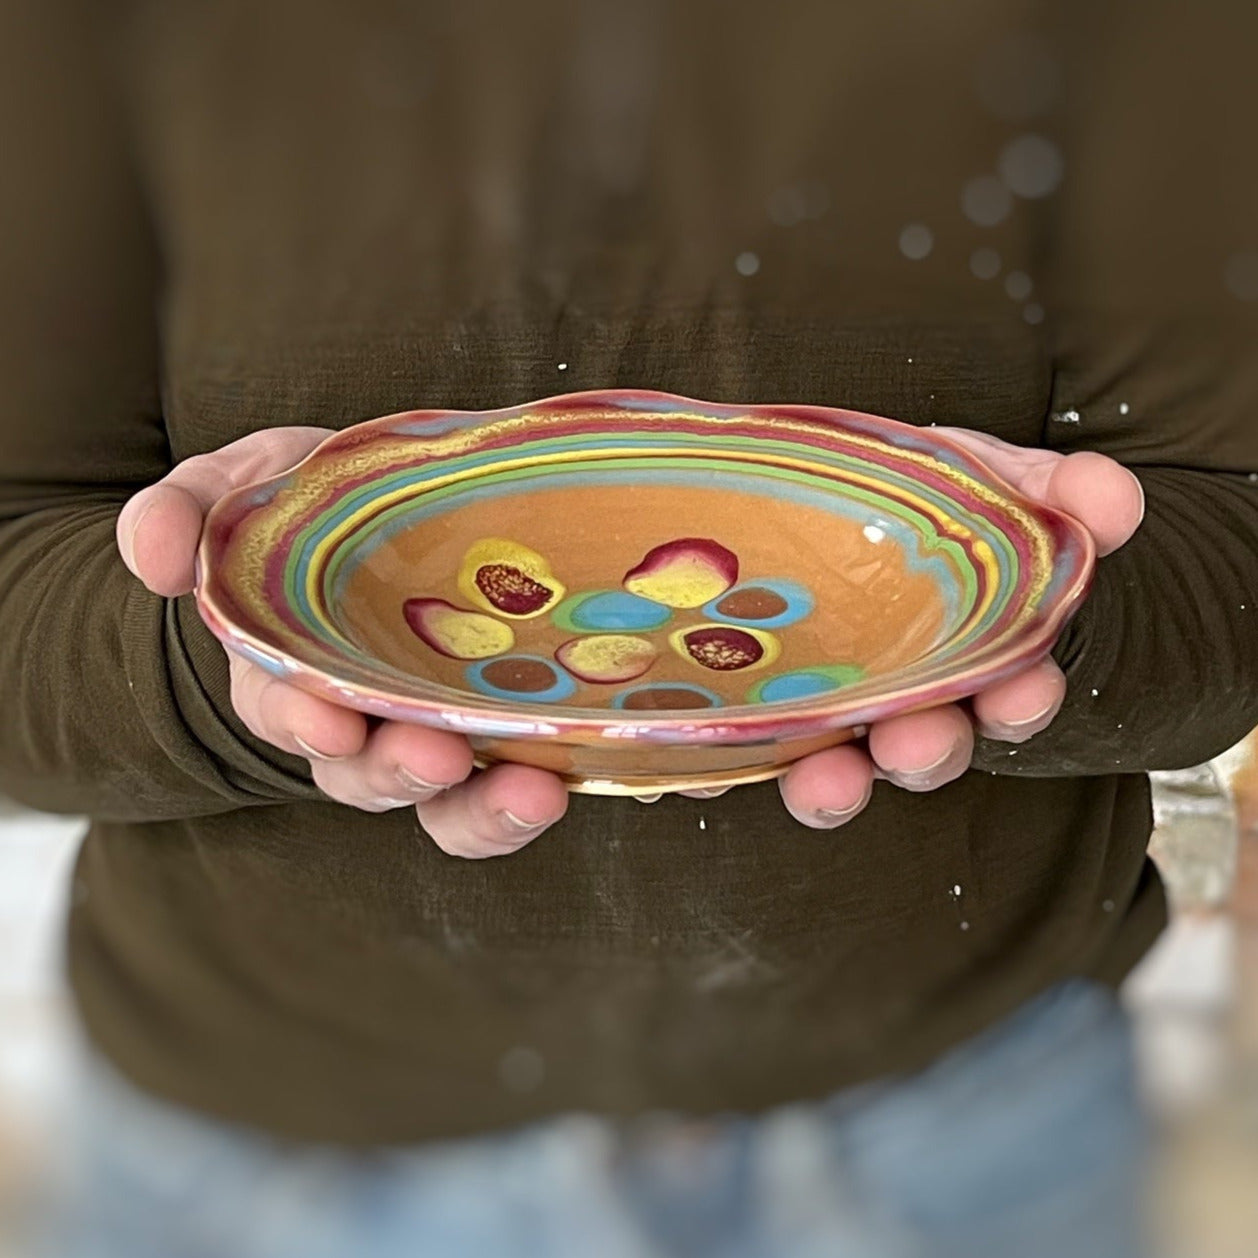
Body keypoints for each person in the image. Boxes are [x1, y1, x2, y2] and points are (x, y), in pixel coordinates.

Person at [1, 1, 1255, 1254]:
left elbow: (1222, 545)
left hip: (959, 1135)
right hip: (262, 1160)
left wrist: (1019, 609)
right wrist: (254, 662)